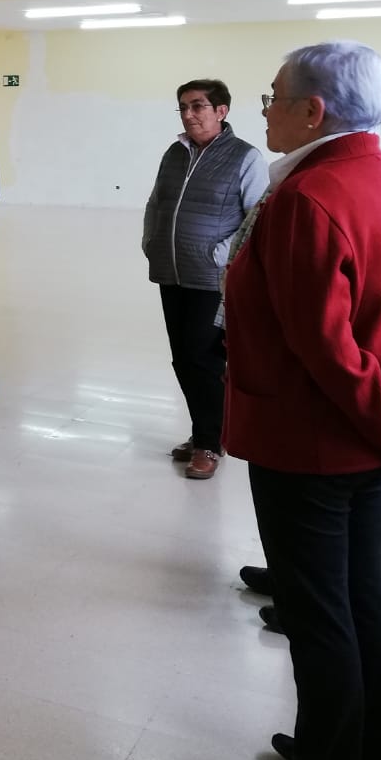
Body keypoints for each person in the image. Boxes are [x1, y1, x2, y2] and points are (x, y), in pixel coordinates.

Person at [224, 41, 381, 760]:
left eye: (272, 97)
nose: (266, 110)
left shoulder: (308, 198)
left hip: (311, 444)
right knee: (360, 596)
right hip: (368, 438)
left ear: (312, 110)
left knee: (318, 615)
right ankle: (360, 750)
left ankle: (331, 757)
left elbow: (323, 347)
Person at [141, 78, 267, 480]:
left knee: (203, 359)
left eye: (197, 106)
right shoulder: (174, 153)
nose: (189, 114)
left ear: (221, 111)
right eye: (183, 107)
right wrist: (151, 241)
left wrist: (219, 255)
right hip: (171, 270)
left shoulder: (245, 157)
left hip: (212, 278)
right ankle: (208, 431)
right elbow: (156, 202)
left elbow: (258, 218)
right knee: (183, 358)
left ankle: (210, 443)